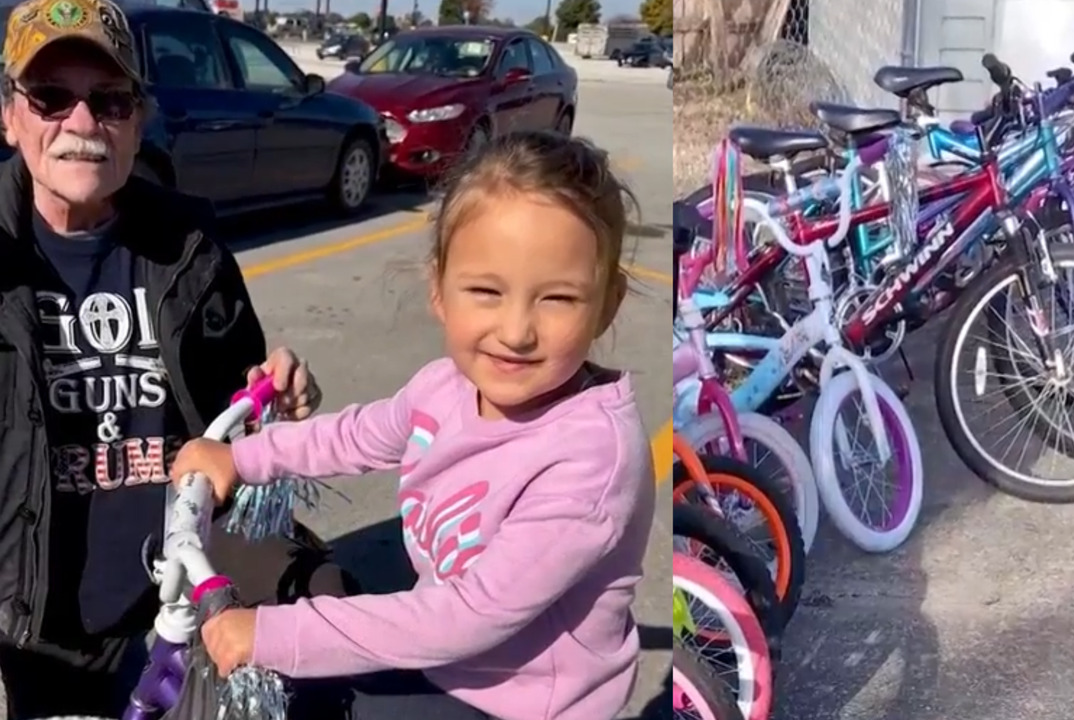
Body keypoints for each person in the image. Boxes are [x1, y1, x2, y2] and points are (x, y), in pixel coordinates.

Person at [172, 131, 657, 720]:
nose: (517, 330)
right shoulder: (445, 387)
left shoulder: (591, 458)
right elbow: (357, 434)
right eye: (485, 291)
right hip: (445, 657)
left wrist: (273, 636)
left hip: (517, 701)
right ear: (439, 291)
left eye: (557, 299)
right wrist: (243, 459)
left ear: (607, 303)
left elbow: (467, 616)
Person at [0, 0, 354, 716]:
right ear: (9, 115)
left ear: (138, 120)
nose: (80, 123)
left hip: (178, 600)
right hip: (42, 621)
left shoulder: (190, 245)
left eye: (109, 101)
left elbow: (239, 418)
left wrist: (274, 395)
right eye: (51, 98)